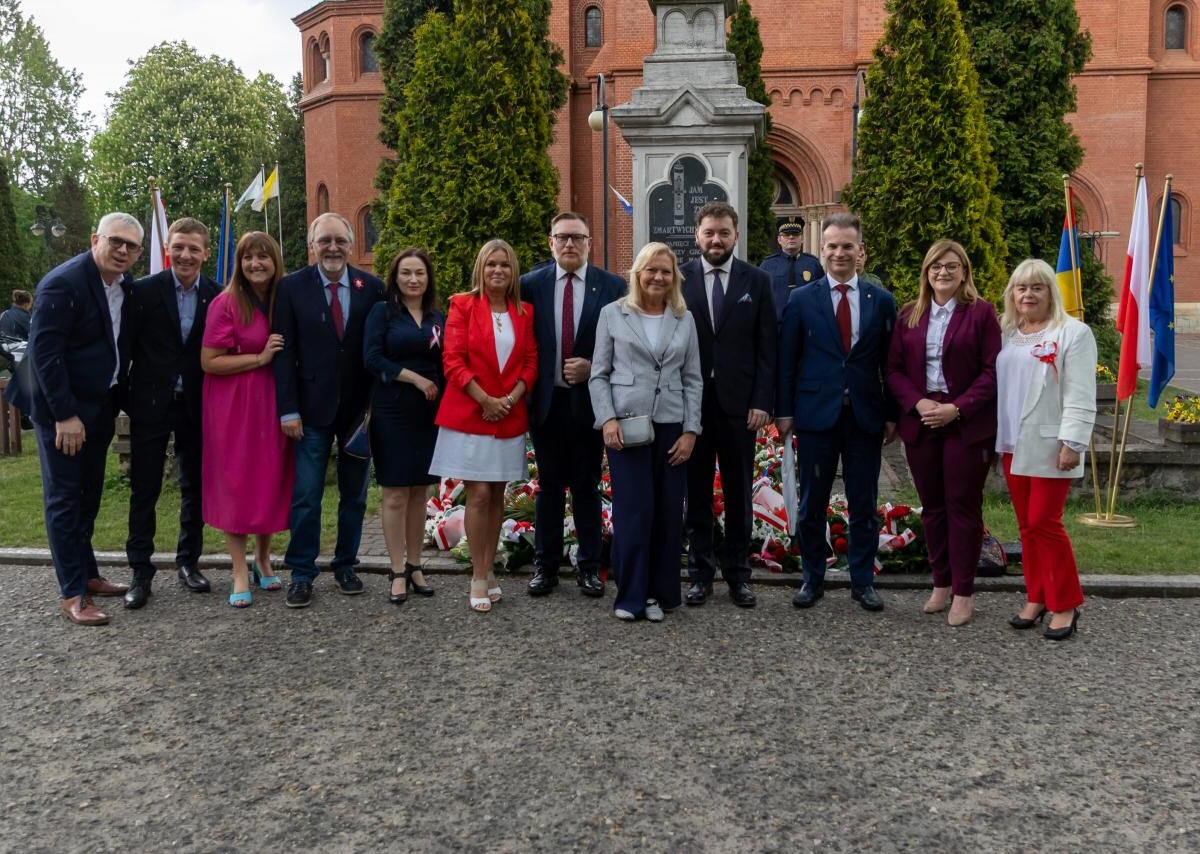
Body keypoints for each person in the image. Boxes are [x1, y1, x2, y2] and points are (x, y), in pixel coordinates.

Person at [777, 212, 898, 613]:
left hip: (864, 415)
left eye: (848, 246)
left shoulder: (881, 302)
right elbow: (787, 361)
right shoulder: (800, 300)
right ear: (822, 250)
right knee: (812, 502)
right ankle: (812, 578)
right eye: (832, 246)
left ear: (860, 252)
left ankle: (862, 581)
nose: (840, 253)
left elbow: (890, 364)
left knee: (864, 503)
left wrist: (892, 413)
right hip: (815, 415)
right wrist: (785, 410)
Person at [26, 213, 141, 625]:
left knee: (89, 495)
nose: (123, 250)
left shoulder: (122, 285)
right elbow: (44, 356)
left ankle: (89, 574)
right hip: (63, 413)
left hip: (99, 407)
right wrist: (65, 416)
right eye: (116, 242)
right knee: (64, 500)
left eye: (131, 246)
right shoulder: (63, 282)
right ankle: (72, 593)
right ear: (96, 238)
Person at [885, 240, 1001, 626]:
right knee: (933, 507)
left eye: (951, 267)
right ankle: (940, 584)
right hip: (922, 420)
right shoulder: (909, 315)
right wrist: (918, 404)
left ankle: (964, 593)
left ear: (964, 272)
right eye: (935, 267)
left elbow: (991, 371)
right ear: (926, 273)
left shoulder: (981, 313)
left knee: (962, 507)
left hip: (965, 422)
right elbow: (895, 371)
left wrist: (957, 408)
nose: (943, 273)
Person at [273, 213, 384, 609]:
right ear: (312, 246)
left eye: (339, 240)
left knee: (354, 496)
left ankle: (345, 565)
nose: (332, 248)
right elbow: (283, 354)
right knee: (306, 495)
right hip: (309, 412)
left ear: (351, 245)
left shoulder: (371, 288)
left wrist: (374, 410)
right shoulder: (290, 289)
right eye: (325, 241)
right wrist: (287, 409)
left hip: (358, 415)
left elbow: (377, 351)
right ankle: (302, 573)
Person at [590, 243, 702, 621]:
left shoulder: (684, 318)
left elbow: (693, 379)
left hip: (671, 427)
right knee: (635, 513)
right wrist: (607, 420)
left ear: (675, 278)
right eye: (651, 270)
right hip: (627, 427)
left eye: (666, 271)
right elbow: (598, 374)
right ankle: (631, 595)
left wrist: (691, 431)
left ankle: (660, 594)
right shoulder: (613, 314)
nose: (658, 277)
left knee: (669, 514)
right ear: (638, 273)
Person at [429, 239, 537, 613]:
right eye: (491, 264)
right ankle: (477, 575)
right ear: (481, 268)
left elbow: (530, 362)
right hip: (472, 415)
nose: (498, 271)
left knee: (496, 497)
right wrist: (486, 400)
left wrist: (509, 399)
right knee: (476, 495)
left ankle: (488, 568)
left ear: (513, 271)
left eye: (505, 265)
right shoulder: (462, 305)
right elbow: (453, 361)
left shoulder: (524, 311)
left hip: (508, 415)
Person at [521, 212, 625, 598]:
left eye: (576, 238)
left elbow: (624, 346)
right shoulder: (529, 285)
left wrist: (594, 366)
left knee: (587, 486)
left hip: (590, 404)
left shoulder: (612, 286)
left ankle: (589, 568)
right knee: (548, 488)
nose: (569, 244)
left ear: (589, 243)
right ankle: (545, 568)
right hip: (546, 404)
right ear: (550, 242)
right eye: (562, 237)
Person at [681, 201, 777, 608]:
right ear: (697, 236)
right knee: (696, 492)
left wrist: (762, 401)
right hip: (692, 407)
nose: (716, 240)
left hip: (740, 407)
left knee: (739, 495)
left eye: (723, 232)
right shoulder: (678, 279)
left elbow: (767, 347)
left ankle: (739, 575)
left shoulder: (757, 281)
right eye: (709, 233)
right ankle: (700, 574)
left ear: (735, 235)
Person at [121, 218, 221, 609]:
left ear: (205, 253)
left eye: (194, 248)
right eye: (179, 246)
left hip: (197, 405)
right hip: (150, 404)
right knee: (145, 488)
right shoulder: (143, 291)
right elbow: (125, 348)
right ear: (169, 249)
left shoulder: (216, 295)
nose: (185, 254)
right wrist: (130, 398)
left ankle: (188, 562)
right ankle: (140, 572)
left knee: (193, 487)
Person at [996, 258, 1096, 640]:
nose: (1028, 294)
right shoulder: (1009, 332)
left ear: (1050, 291)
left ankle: (1066, 602)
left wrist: (1073, 442)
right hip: (1011, 441)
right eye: (1021, 287)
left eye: (1037, 287)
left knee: (1044, 522)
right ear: (1012, 294)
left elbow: (1082, 393)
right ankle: (1036, 596)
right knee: (1026, 527)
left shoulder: (1073, 333)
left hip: (1052, 443)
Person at [201, 232, 295, 607]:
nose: (255, 264)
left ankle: (264, 559)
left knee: (267, 481)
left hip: (272, 401)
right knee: (237, 484)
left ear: (275, 261)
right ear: (238, 264)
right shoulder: (225, 304)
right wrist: (258, 359)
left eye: (263, 257)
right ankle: (239, 570)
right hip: (233, 405)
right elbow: (209, 361)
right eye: (247, 258)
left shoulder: (282, 300)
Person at [363, 248, 444, 605]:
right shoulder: (382, 313)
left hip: (428, 415)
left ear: (428, 279)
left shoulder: (437, 317)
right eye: (407, 273)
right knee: (395, 492)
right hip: (392, 410)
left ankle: (415, 565)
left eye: (420, 274)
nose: (414, 279)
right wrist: (414, 379)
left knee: (419, 493)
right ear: (395, 277)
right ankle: (396, 569)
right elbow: (372, 358)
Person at [760, 216, 823, 321]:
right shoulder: (767, 265)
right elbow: (760, 296)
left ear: (802, 238)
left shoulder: (813, 264)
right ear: (779, 239)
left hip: (807, 324)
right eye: (786, 235)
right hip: (777, 326)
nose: (791, 237)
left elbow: (822, 294)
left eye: (795, 234)